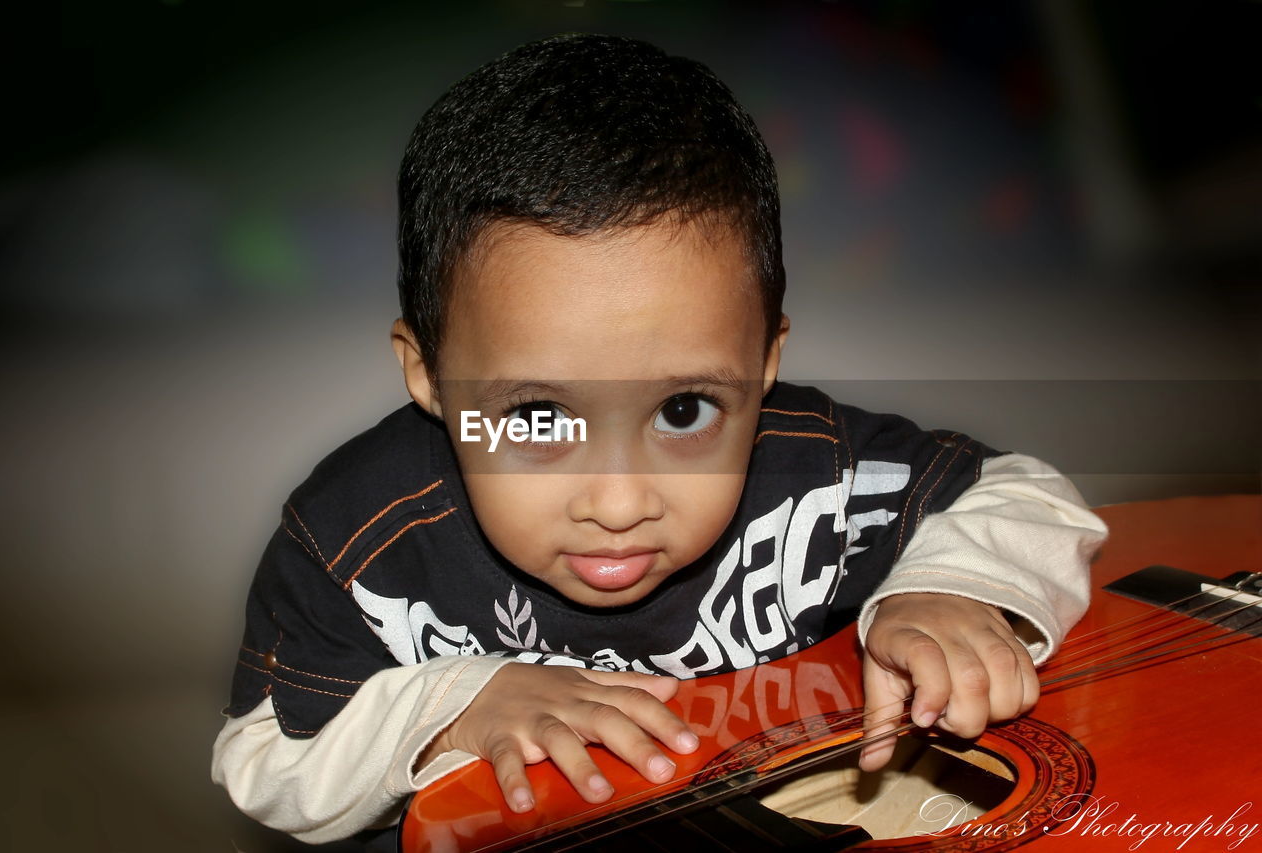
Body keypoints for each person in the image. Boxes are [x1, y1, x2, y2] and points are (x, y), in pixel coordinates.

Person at [211, 33, 1107, 850]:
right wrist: (452, 706)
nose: (619, 500)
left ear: (763, 363)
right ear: (428, 376)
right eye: (535, 418)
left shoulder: (814, 468)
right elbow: (263, 759)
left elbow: (1021, 493)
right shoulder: (355, 536)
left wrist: (949, 594)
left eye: (684, 410)